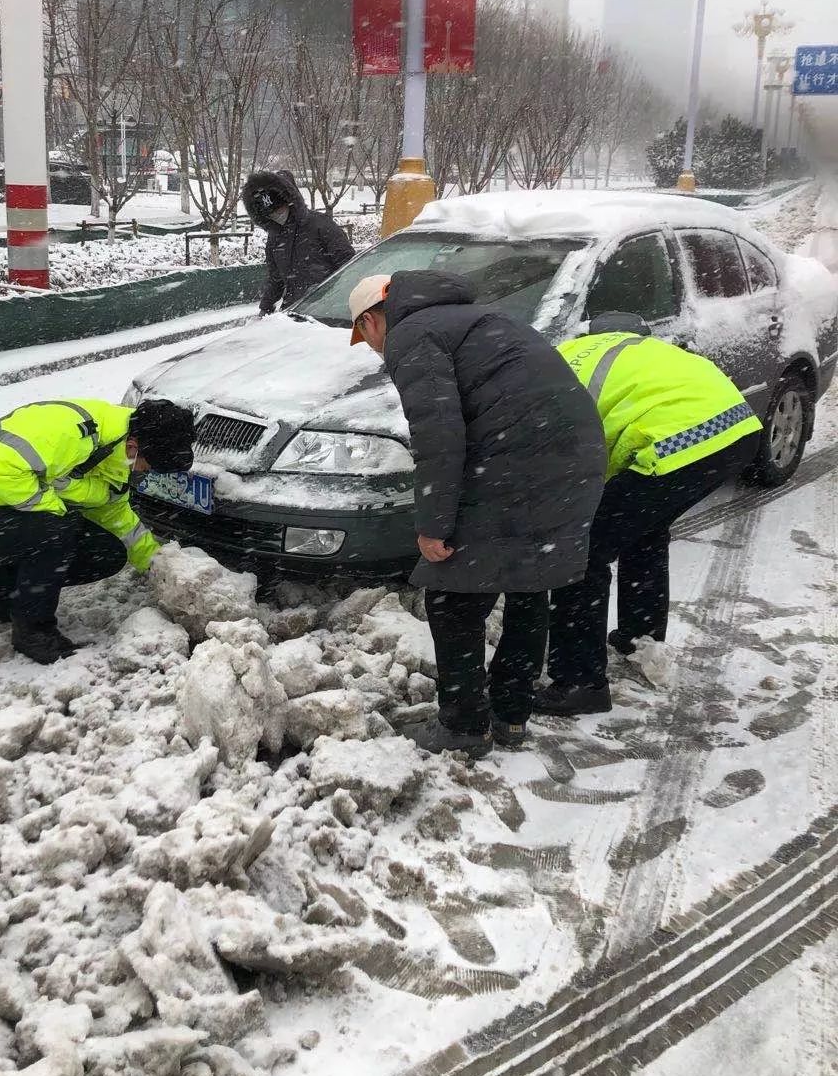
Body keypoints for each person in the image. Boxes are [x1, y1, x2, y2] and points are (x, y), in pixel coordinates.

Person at [350, 271, 607, 757]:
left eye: (364, 337)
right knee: (529, 583)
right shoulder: (480, 318)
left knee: (451, 596)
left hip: (519, 458)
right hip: (575, 454)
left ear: (371, 321)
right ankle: (511, 714)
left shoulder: (411, 333)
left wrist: (433, 527)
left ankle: (465, 725)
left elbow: (439, 434)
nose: (370, 348)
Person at [535, 312, 763, 716]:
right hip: (739, 429)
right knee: (644, 530)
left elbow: (566, 449)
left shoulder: (559, 357)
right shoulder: (650, 350)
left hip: (677, 440)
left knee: (581, 552)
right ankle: (640, 637)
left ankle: (580, 682)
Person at [0, 398, 195, 664]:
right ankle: (33, 632)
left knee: (108, 552)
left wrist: (157, 565)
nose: (144, 472)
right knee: (59, 532)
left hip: (5, 514)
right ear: (134, 447)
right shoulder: (72, 430)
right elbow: (0, 467)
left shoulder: (116, 450)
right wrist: (58, 511)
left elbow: (114, 513)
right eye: (146, 466)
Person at [242, 168, 355, 316]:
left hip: (328, 310)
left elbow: (349, 266)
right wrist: (266, 307)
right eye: (271, 213)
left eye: (279, 209)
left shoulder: (320, 225)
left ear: (290, 202)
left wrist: (338, 297)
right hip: (294, 310)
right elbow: (276, 278)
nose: (277, 215)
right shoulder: (274, 238)